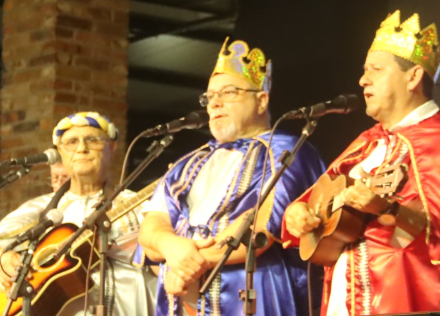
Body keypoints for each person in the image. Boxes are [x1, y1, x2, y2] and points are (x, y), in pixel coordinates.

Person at [136, 38, 326, 316]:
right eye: (210, 97)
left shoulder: (286, 149)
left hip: (251, 293)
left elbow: (262, 225)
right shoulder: (190, 161)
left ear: (261, 99)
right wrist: (173, 248)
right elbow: (152, 227)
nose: (215, 104)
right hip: (181, 298)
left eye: (228, 93)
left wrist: (189, 262)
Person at [283, 10, 440, 314]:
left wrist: (390, 209)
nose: (363, 80)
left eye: (375, 70)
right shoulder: (366, 142)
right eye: (365, 70)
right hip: (342, 300)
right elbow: (314, 201)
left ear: (413, 76)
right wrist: (297, 213)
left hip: (402, 301)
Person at [0, 112, 157, 316]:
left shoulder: (141, 205)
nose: (82, 148)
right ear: (61, 152)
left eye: (93, 140)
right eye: (72, 142)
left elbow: (168, 265)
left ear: (111, 148)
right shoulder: (44, 207)